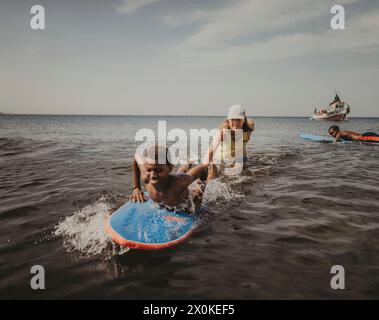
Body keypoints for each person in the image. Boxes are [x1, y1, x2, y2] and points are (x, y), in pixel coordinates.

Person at [131, 145, 210, 213]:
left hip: (180, 189)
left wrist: (200, 189)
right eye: (148, 170)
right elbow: (136, 157)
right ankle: (187, 164)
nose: (152, 175)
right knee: (178, 174)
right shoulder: (146, 177)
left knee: (182, 176)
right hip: (171, 178)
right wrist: (137, 188)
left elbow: (203, 169)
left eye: (158, 170)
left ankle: (189, 164)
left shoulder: (180, 183)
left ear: (170, 168)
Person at [203, 104, 254, 178]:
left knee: (243, 175)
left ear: (243, 120)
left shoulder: (249, 128)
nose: (235, 123)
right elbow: (209, 152)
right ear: (228, 120)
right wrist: (204, 168)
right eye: (232, 119)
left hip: (240, 158)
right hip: (221, 159)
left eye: (238, 120)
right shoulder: (222, 133)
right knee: (213, 175)